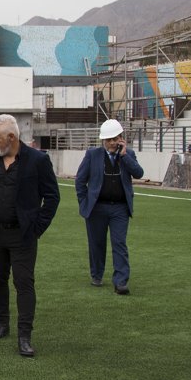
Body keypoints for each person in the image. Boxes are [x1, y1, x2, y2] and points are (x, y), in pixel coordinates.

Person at [0, 114, 60, 358]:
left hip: (23, 235)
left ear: (11, 137)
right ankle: (2, 323)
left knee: (24, 283)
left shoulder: (38, 160)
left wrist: (37, 227)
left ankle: (24, 335)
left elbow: (52, 197)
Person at [75, 119, 144, 296]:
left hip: (120, 208)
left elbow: (138, 173)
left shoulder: (128, 154)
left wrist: (124, 156)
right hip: (96, 208)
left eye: (115, 139)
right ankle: (96, 274)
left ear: (121, 138)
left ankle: (121, 282)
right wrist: (84, 203)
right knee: (96, 243)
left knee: (119, 243)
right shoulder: (92, 155)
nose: (113, 143)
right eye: (109, 140)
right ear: (103, 140)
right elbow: (80, 180)